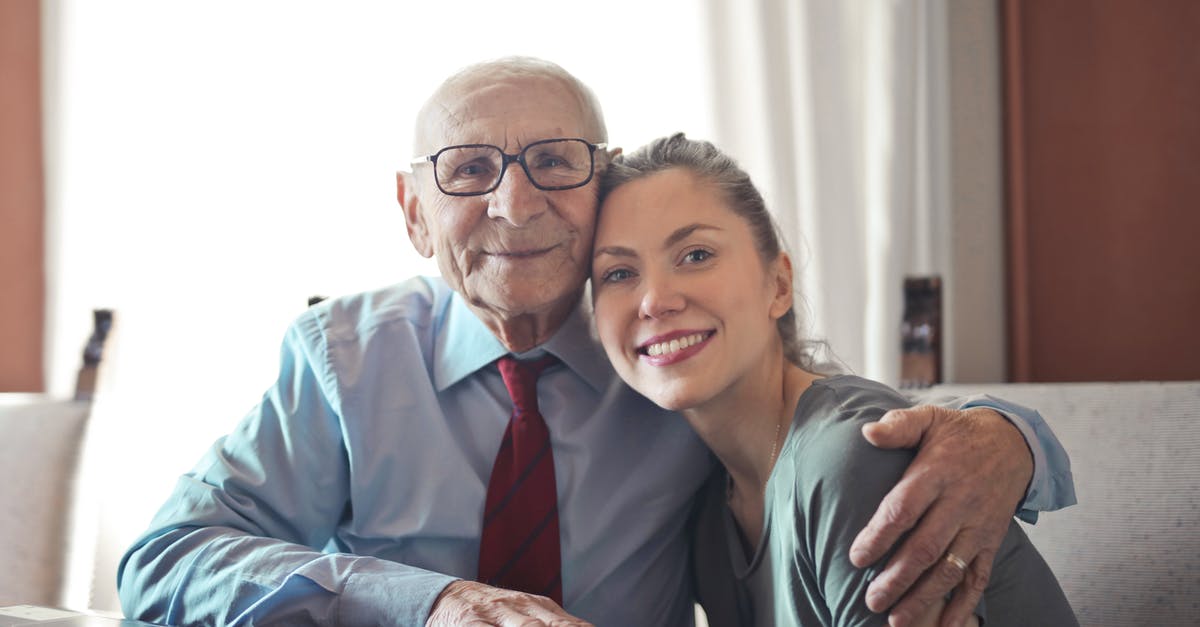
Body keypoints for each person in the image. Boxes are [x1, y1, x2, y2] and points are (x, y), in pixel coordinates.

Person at [117, 57, 1075, 626]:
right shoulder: (344, 361)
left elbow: (831, 426)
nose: (515, 202)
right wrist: (427, 602)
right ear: (412, 212)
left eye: (553, 161)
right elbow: (162, 561)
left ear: (598, 188)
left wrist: (1013, 437)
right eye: (469, 168)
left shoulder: (663, 362)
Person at [590, 133, 1078, 626]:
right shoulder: (710, 506)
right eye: (618, 273)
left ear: (779, 285)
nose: (654, 300)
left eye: (696, 255)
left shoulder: (852, 458)